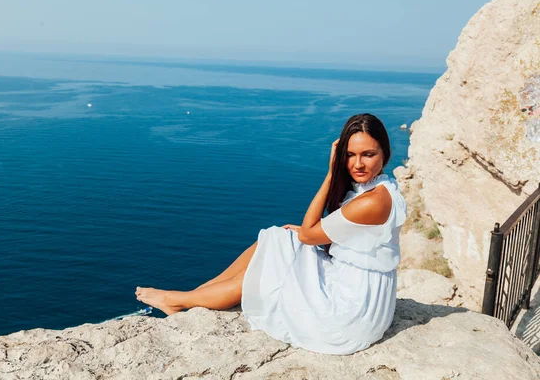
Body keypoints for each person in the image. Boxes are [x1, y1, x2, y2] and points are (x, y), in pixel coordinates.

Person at [135, 113, 407, 355]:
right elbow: (351, 235)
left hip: (348, 314)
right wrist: (306, 231)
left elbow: (308, 235)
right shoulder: (380, 187)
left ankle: (176, 300)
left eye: (367, 154)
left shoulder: (372, 201)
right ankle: (195, 296)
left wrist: (330, 174)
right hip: (356, 290)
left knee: (265, 273)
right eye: (349, 155)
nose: (357, 164)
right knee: (276, 238)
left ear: (385, 153)